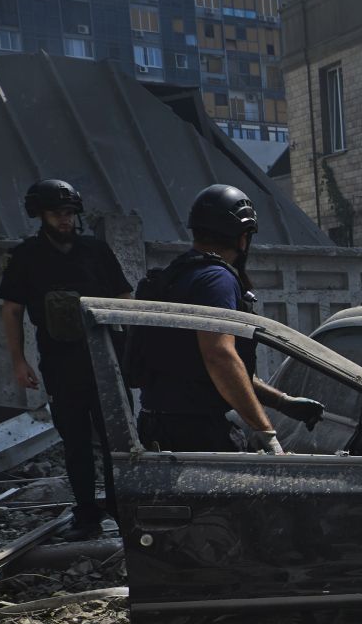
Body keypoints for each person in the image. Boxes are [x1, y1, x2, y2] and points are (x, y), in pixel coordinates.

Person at [130, 184, 322, 452]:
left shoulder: (177, 275)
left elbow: (220, 370)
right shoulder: (216, 279)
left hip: (157, 426)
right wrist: (266, 432)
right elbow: (220, 358)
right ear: (243, 237)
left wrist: (282, 402)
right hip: (197, 434)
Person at [0, 179, 133, 540]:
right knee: (75, 443)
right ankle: (87, 516)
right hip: (61, 362)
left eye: (70, 213)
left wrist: (130, 352)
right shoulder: (27, 256)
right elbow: (12, 310)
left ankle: (125, 512)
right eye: (57, 213)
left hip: (107, 362)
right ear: (40, 214)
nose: (65, 219)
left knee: (117, 441)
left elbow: (124, 297)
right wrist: (18, 362)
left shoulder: (95, 251)